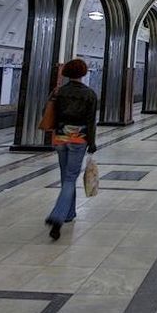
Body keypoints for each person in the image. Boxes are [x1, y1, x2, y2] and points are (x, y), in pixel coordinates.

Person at [44, 58, 98, 241]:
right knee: (70, 178)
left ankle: (69, 213)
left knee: (66, 176)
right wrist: (92, 142)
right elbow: (91, 121)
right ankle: (57, 216)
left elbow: (47, 111)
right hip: (78, 140)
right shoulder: (90, 94)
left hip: (60, 138)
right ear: (83, 73)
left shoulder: (59, 92)